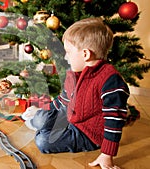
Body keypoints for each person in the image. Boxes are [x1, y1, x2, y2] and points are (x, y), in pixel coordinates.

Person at [24, 18, 129, 169]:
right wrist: (47, 109)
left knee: (42, 142)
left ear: (86, 54)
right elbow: (63, 100)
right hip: (72, 115)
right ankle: (38, 122)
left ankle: (42, 127)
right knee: (41, 117)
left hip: (88, 133)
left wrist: (107, 154)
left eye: (68, 52)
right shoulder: (74, 73)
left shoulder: (110, 80)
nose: (66, 57)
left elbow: (115, 120)